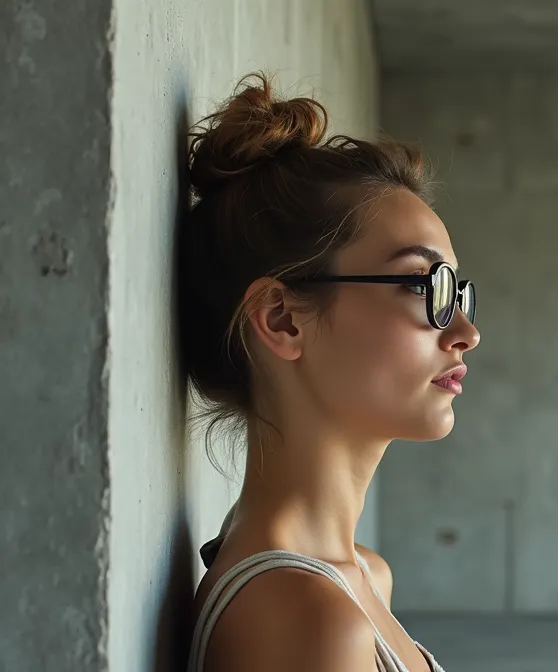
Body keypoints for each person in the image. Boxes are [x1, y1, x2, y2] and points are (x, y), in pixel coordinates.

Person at [181, 73, 479, 672]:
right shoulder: (306, 619)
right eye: (426, 287)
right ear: (282, 319)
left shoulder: (362, 577)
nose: (466, 332)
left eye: (460, 294)